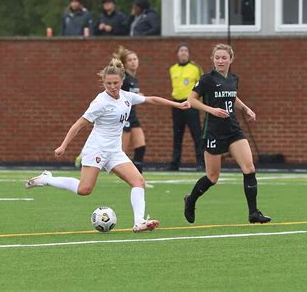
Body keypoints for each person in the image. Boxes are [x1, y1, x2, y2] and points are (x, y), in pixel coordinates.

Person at [26, 58, 190, 233]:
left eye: (116, 83)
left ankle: (139, 222)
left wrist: (177, 104)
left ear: (122, 81)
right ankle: (46, 179)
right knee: (84, 189)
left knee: (138, 181)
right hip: (96, 148)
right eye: (108, 83)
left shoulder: (126, 97)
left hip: (114, 151)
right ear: (103, 83)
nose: (112, 87)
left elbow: (152, 99)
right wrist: (63, 146)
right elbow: (79, 124)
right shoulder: (100, 102)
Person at [183, 43, 271, 224]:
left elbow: (232, 96)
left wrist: (245, 108)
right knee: (212, 177)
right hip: (213, 132)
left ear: (231, 59)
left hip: (233, 130)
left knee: (249, 168)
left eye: (224, 58)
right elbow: (191, 100)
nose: (220, 61)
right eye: (217, 58)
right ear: (213, 60)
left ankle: (253, 213)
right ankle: (191, 199)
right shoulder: (207, 79)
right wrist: (211, 110)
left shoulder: (233, 79)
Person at [168, 42, 204, 171]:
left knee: (196, 134)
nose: (183, 53)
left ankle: (200, 163)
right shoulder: (172, 69)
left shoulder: (195, 68)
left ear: (188, 54)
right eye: (181, 51)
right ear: (177, 54)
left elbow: (202, 86)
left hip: (190, 105)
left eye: (185, 51)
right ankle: (175, 163)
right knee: (177, 134)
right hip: (177, 104)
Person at [115, 46, 146, 173]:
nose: (133, 62)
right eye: (130, 60)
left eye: (135, 59)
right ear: (125, 63)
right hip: (124, 118)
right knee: (121, 151)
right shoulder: (124, 79)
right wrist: (137, 97)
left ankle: (139, 177)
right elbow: (119, 95)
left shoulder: (134, 79)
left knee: (141, 147)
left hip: (133, 116)